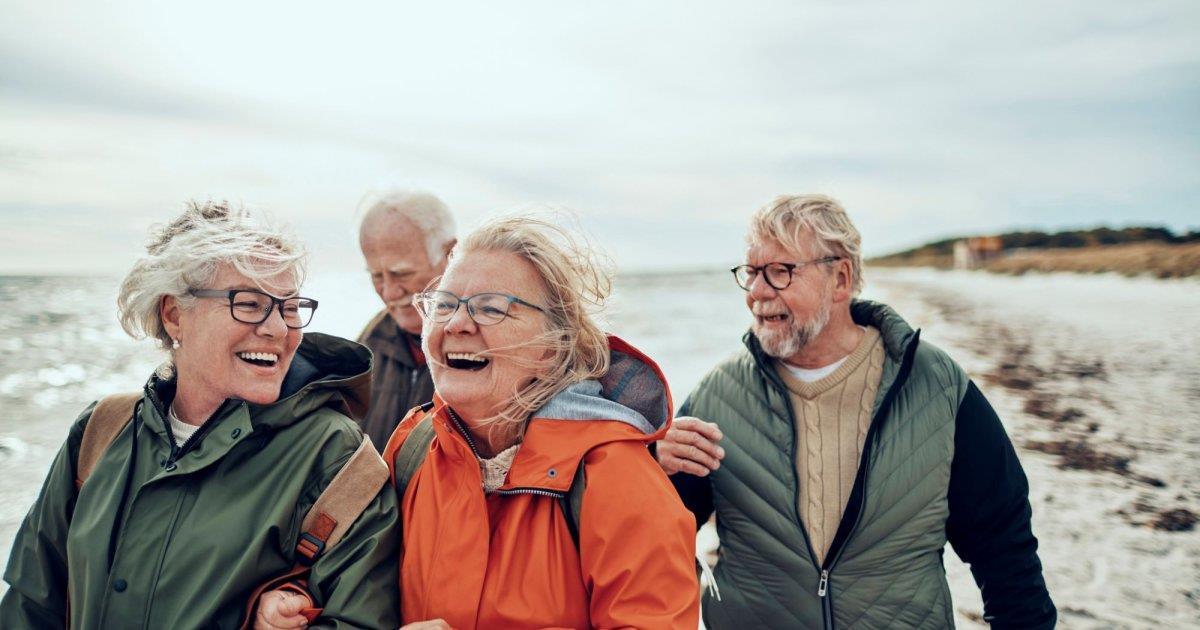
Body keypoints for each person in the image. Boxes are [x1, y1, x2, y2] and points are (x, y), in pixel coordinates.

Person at [258, 215, 700, 629]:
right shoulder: (414, 447)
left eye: (490, 308)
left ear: (555, 345)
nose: (457, 324)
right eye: (444, 304)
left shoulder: (616, 477)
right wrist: (294, 603)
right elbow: (353, 580)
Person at [657, 195, 1057, 628]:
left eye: (780, 271)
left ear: (840, 279)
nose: (757, 292)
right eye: (751, 272)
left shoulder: (934, 384)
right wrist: (650, 463)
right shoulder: (717, 398)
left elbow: (1004, 549)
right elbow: (653, 542)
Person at [1, 201, 399, 628]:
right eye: (249, 304)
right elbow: (31, 606)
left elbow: (359, 622)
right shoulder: (101, 430)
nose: (278, 329)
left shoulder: (336, 456)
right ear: (174, 316)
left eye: (289, 308)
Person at [356, 190, 457, 448]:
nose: (389, 292)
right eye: (377, 276)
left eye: (402, 273)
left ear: (451, 255)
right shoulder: (367, 346)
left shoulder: (487, 346)